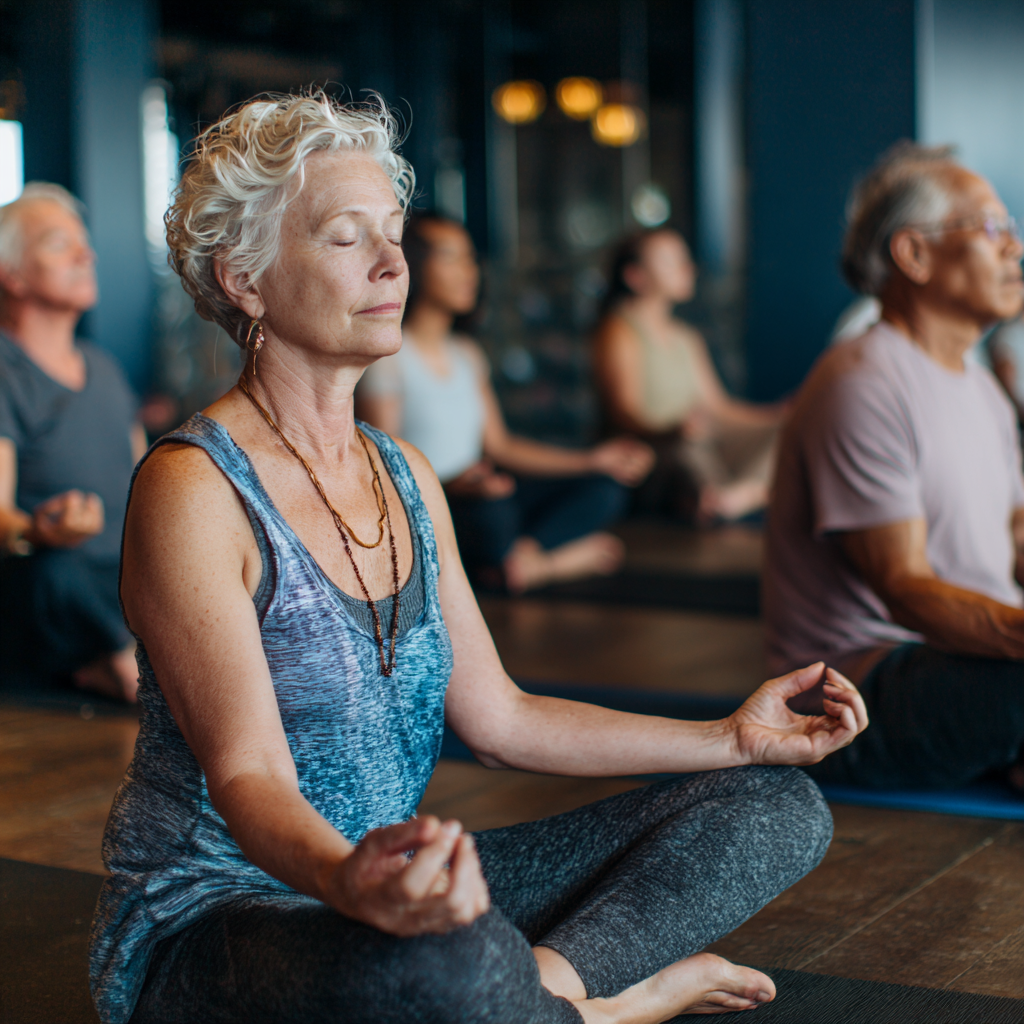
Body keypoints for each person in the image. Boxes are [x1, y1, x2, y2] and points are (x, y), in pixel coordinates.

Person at [89, 91, 868, 1024]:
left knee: (775, 809)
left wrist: (730, 739)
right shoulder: (195, 490)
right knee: (444, 965)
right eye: (346, 238)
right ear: (246, 279)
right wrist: (354, 884)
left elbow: (501, 719)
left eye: (394, 233)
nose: (391, 264)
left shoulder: (406, 474)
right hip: (221, 925)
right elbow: (248, 774)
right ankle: (606, 1010)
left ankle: (539, 993)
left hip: (396, 888)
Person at [765, 142, 1024, 792]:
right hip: (862, 696)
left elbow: (1015, 533)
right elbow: (905, 588)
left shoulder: (982, 385)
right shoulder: (864, 380)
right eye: (993, 228)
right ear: (914, 254)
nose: (1015, 248)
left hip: (971, 659)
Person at [357, 213, 653, 593]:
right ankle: (548, 563)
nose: (470, 271)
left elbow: (501, 446)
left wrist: (593, 459)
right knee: (490, 514)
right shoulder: (389, 355)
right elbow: (384, 466)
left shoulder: (467, 353)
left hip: (483, 487)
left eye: (470, 258)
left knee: (605, 487)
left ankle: (522, 562)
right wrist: (456, 486)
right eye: (451, 257)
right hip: (437, 500)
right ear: (410, 264)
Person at [0, 183, 146, 701]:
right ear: (11, 274)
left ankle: (116, 661)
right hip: (58, 579)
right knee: (52, 575)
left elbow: (143, 489)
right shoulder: (6, 370)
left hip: (121, 575)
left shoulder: (105, 368)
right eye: (59, 243)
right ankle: (120, 664)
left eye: (84, 242)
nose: (87, 254)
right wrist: (40, 530)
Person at [593, 229, 786, 523]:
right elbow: (622, 413)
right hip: (658, 448)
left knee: (786, 433)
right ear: (635, 276)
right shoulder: (619, 331)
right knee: (688, 449)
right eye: (671, 261)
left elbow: (719, 409)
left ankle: (737, 496)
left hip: (698, 441)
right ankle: (733, 496)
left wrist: (780, 416)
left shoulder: (687, 338)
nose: (688, 269)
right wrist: (674, 430)